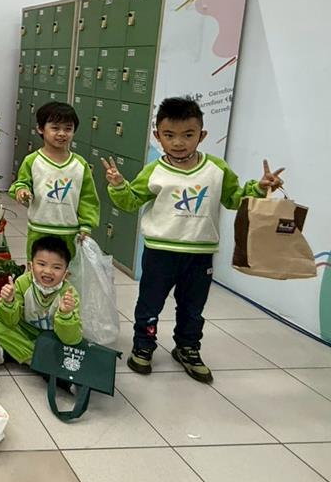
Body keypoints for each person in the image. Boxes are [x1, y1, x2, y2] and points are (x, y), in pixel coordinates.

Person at [103, 96, 285, 383]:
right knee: (150, 303)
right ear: (158, 137)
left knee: (192, 307)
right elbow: (131, 200)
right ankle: (144, 345)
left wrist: (259, 188)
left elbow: (234, 198)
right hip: (160, 252)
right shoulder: (155, 170)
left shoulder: (216, 169)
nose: (178, 142)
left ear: (202, 135)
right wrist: (118, 185)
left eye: (188, 135)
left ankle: (187, 348)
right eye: (169, 135)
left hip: (200, 254)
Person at [10, 101, 99, 263]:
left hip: (69, 232)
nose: (62, 134)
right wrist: (21, 191)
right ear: (40, 129)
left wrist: (86, 224)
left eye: (68, 129)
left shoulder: (80, 164)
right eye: (55, 128)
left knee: (67, 273)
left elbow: (88, 198)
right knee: (37, 270)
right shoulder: (32, 160)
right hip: (39, 228)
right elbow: (21, 183)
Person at [0, 235, 81, 377]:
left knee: (70, 344)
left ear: (66, 274)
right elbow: (9, 321)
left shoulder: (69, 294)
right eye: (41, 264)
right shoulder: (23, 283)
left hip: (52, 337)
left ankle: (14, 353)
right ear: (30, 266)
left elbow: (72, 339)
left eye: (56, 267)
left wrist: (66, 315)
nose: (48, 271)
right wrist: (9, 302)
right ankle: (40, 363)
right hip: (24, 331)